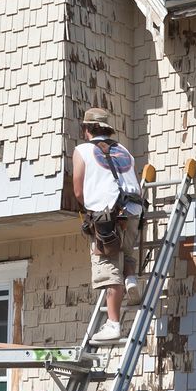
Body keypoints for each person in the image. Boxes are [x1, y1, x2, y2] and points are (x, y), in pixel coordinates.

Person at [72, 107, 143, 344]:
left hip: (107, 214)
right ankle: (132, 279)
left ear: (87, 129)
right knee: (126, 250)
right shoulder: (123, 150)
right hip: (133, 208)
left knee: (108, 266)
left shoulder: (82, 150)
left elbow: (79, 190)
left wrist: (88, 209)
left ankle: (113, 323)